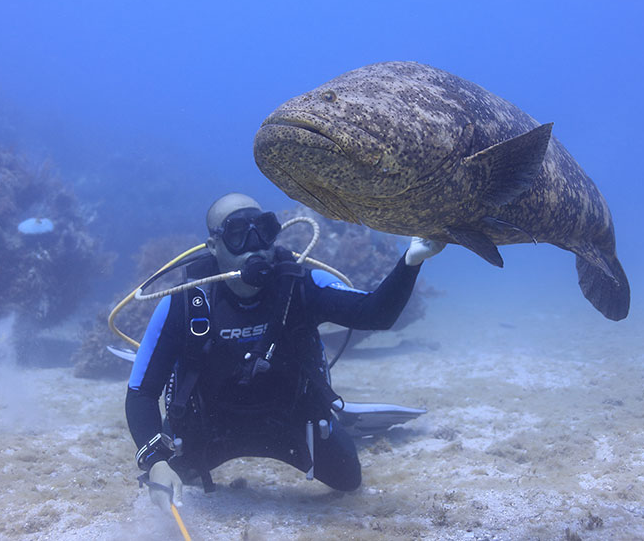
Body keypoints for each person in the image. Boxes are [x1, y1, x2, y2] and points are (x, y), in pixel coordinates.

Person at [125, 193, 444, 512]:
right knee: (172, 476)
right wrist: (154, 460)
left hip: (292, 422)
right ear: (213, 246)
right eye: (238, 234)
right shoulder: (183, 303)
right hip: (207, 426)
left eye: (263, 230)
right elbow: (141, 392)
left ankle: (338, 425)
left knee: (349, 478)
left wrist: (411, 262)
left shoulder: (303, 284)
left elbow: (375, 313)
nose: (255, 245)